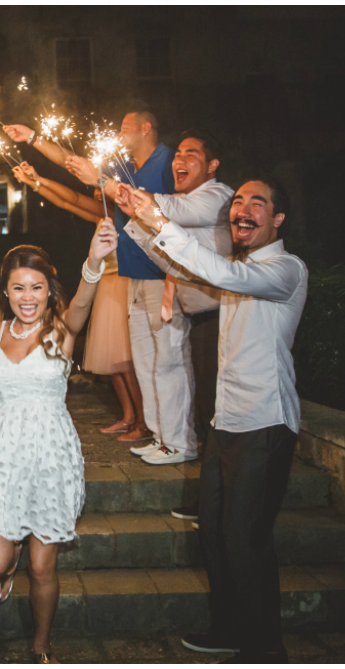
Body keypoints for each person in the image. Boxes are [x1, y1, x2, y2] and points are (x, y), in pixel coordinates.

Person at [124, 179, 308, 663]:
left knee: (246, 540)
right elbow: (186, 270)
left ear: (278, 218)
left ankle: (265, 647)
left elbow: (220, 275)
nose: (242, 210)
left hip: (265, 423)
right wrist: (142, 224)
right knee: (215, 533)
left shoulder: (285, 270)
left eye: (257, 203)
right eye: (238, 203)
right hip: (226, 422)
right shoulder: (236, 269)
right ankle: (230, 629)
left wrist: (163, 221)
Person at [0, 221, 118, 664]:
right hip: (1, 450)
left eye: (36, 287)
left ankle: (41, 644)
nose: (27, 296)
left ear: (50, 290)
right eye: (18, 288)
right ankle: (5, 562)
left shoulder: (63, 331)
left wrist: (94, 260)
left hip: (50, 453)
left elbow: (85, 300)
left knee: (42, 566)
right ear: (6, 293)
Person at [6, 110, 174, 455]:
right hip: (116, 281)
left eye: (128, 125)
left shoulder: (137, 193)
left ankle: (150, 425)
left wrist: (36, 148)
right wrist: (35, 180)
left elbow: (77, 178)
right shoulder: (109, 208)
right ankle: (133, 417)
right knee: (118, 362)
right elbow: (67, 196)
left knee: (136, 361)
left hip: (137, 279)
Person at [109, 130, 234, 466]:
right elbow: (169, 258)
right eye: (177, 153)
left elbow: (174, 210)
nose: (179, 159)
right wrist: (136, 218)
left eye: (191, 153)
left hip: (217, 308)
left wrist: (132, 198)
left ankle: (188, 448)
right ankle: (167, 439)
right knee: (161, 367)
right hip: (193, 305)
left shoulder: (218, 195)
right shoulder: (185, 200)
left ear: (212, 165)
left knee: (196, 383)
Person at [11, 160, 150, 443]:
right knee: (113, 363)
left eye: (102, 184)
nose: (96, 192)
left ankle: (145, 422)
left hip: (123, 285)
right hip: (106, 286)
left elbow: (73, 198)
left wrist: (38, 180)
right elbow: (68, 202)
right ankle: (127, 417)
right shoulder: (101, 214)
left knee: (126, 362)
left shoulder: (119, 211)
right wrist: (36, 181)